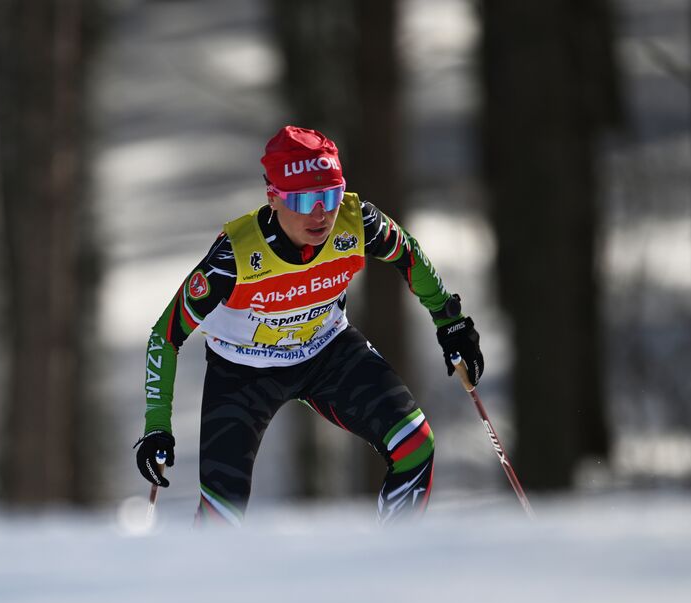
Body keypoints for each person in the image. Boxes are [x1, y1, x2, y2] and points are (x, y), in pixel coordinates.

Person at [133, 125, 484, 525]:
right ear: (273, 197)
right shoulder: (235, 256)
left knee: (415, 445)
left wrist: (449, 321)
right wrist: (157, 424)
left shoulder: (356, 222)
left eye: (330, 195)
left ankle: (392, 560)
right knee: (221, 516)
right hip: (243, 371)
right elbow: (166, 335)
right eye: (303, 200)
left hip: (326, 351)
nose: (320, 213)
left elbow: (407, 254)